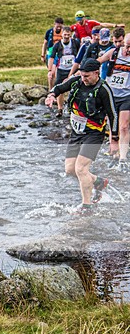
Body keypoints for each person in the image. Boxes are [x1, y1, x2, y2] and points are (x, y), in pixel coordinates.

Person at [46, 58, 118, 215]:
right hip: (77, 132)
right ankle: (98, 182)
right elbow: (60, 87)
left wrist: (114, 140)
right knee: (70, 169)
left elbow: (113, 115)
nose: (83, 79)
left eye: (86, 76)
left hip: (94, 134)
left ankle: (87, 207)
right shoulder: (77, 81)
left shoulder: (103, 89)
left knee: (81, 169)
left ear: (96, 73)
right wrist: (52, 95)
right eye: (82, 75)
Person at [98, 35, 130, 171]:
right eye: (127, 46)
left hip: (127, 96)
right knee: (113, 126)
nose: (128, 50)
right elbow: (98, 61)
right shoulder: (114, 53)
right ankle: (114, 154)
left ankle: (123, 157)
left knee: (124, 126)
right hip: (111, 95)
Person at [47, 26, 80, 115]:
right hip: (61, 69)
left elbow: (80, 55)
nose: (66, 37)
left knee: (75, 89)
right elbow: (52, 57)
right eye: (65, 35)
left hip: (73, 69)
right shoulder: (57, 45)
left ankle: (73, 108)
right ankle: (60, 109)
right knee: (59, 89)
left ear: (70, 35)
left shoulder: (75, 43)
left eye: (68, 35)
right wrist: (50, 70)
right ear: (62, 34)